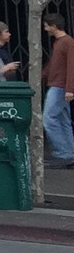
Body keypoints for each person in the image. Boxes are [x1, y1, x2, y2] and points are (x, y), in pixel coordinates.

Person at [43, 12, 74, 168]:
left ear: (53, 26)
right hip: (60, 85)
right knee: (63, 120)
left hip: (60, 86)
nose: (45, 28)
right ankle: (69, 153)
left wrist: (70, 88)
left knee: (49, 119)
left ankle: (63, 154)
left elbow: (71, 65)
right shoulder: (60, 42)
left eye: (47, 25)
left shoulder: (67, 42)